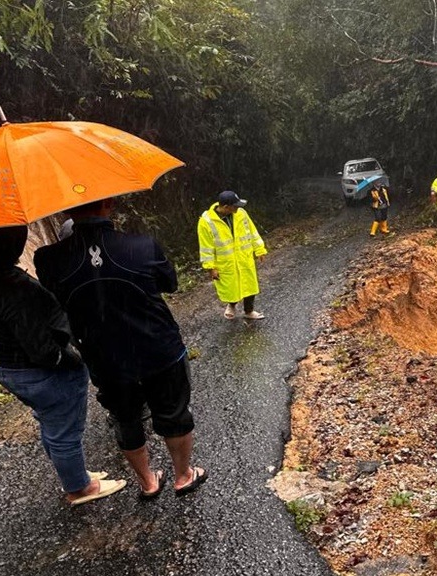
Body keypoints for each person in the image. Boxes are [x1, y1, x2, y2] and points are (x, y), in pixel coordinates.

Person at [0, 225, 126, 506]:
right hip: (40, 371)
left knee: (51, 423)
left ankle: (74, 473)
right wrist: (73, 360)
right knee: (64, 431)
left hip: (5, 366)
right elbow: (41, 350)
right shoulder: (12, 287)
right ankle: (79, 488)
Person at [35, 197, 205, 497]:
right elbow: (169, 283)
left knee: (126, 419)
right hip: (158, 347)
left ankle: (148, 483)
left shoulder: (48, 258)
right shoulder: (142, 245)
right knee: (174, 412)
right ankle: (183, 475)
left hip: (104, 357)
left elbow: (55, 299)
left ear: (64, 210)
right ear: (109, 204)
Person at [197, 190, 267, 320]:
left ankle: (249, 311)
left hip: (244, 257)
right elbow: (206, 247)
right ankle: (232, 305)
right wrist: (210, 267)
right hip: (226, 262)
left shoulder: (241, 214)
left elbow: (252, 232)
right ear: (225, 207)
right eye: (235, 206)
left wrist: (259, 249)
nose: (238, 208)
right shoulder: (206, 222)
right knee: (231, 287)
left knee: (249, 285)